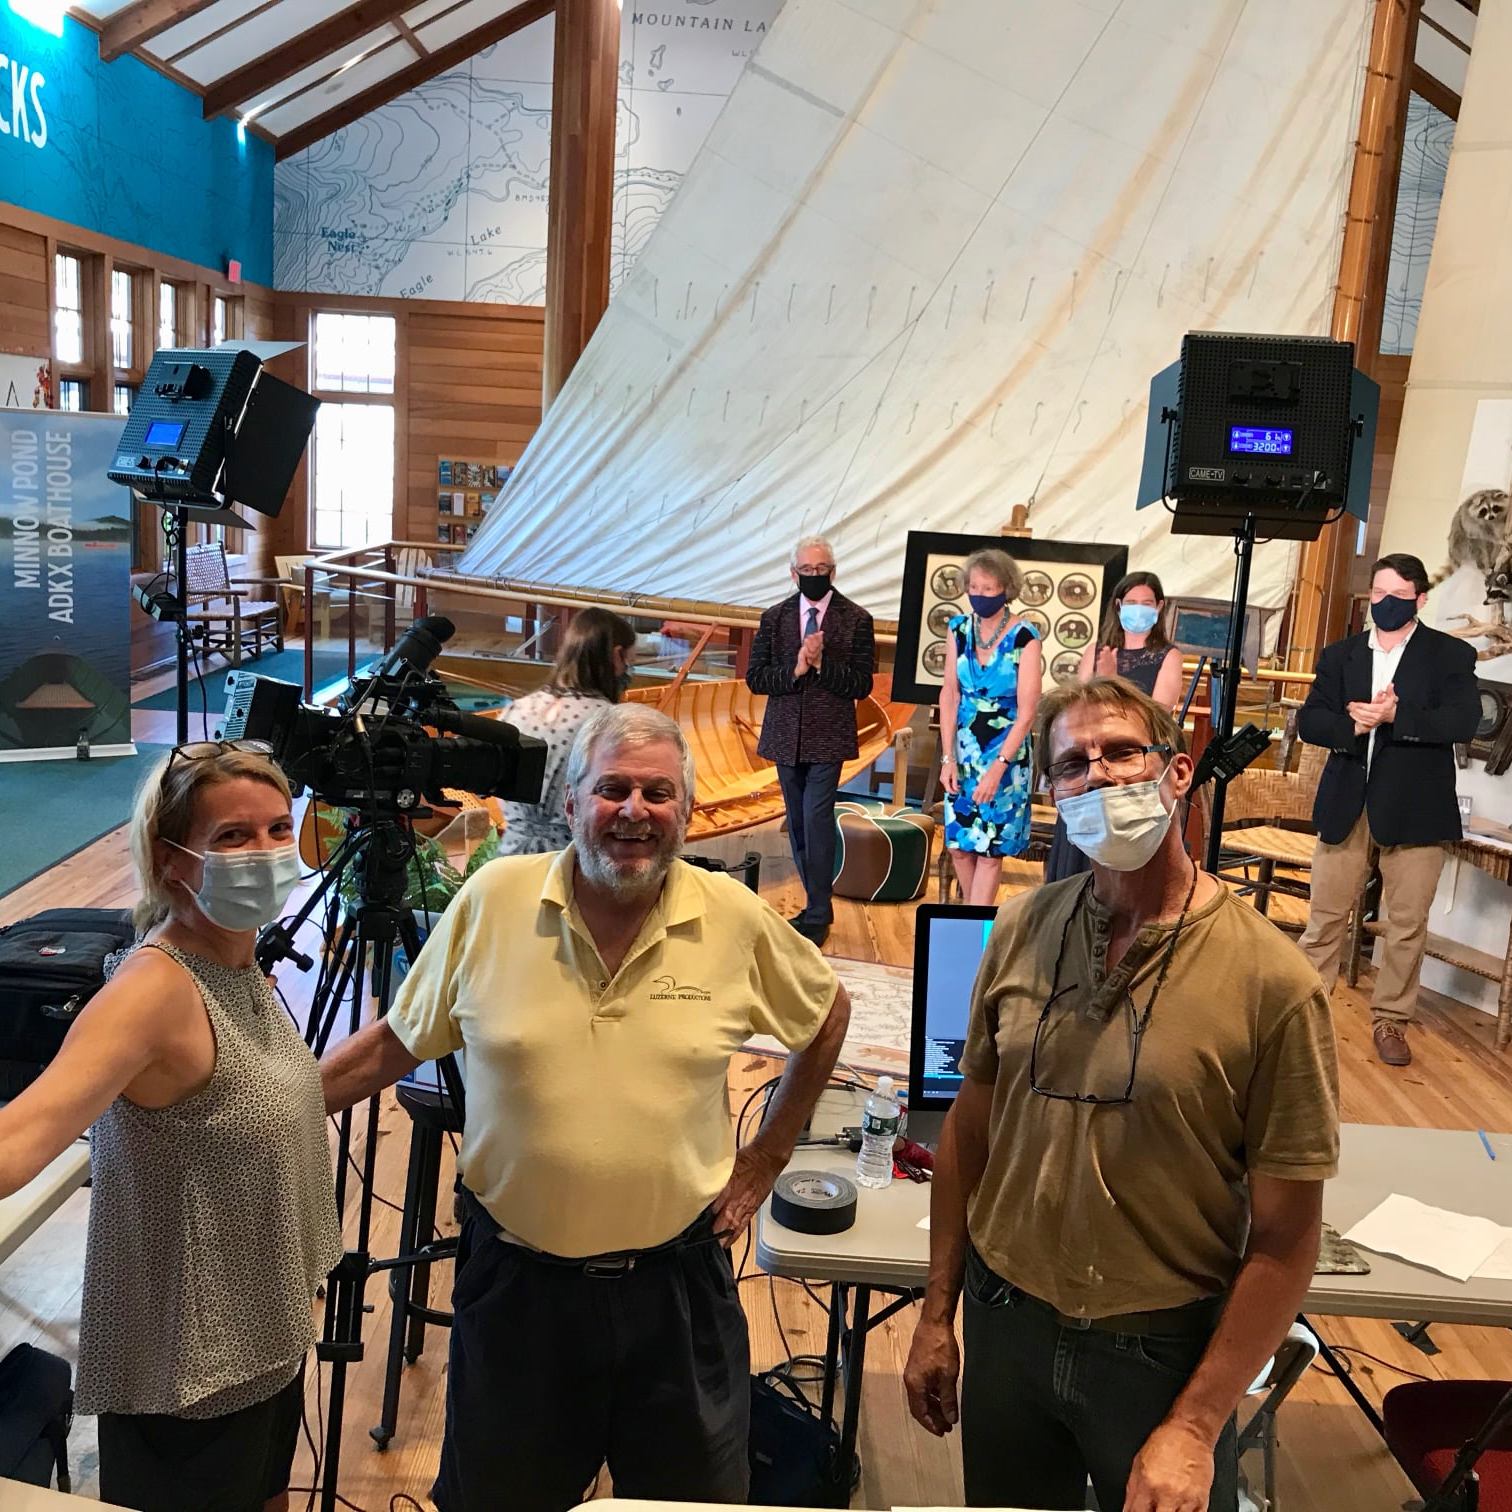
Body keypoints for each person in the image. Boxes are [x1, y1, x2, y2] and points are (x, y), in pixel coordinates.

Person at [320, 704, 851, 1512]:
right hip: (520, 1292)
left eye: (658, 793)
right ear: (571, 804)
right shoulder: (494, 899)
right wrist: (269, 1107)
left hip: (676, 1293)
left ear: (686, 813)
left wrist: (767, 1157)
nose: (635, 810)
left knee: (688, 1509)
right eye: (613, 789)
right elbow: (396, 1041)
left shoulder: (733, 917)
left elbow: (826, 1014)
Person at [904, 676, 1339, 1512]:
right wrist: (936, 1314)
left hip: (1159, 1349)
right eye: (1073, 763)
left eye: (1122, 752)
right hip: (1006, 1320)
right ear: (1053, 795)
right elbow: (969, 1128)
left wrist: (1197, 1426)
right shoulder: (1021, 929)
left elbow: (1287, 1236)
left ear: (1178, 772)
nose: (1099, 774)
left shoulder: (1274, 984)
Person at [0, 742, 343, 1512]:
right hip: (189, 1370)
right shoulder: (152, 991)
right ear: (171, 860)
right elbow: (16, 1144)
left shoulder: (237, 961)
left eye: (277, 828)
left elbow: (268, 1105)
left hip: (264, 1337)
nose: (265, 852)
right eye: (232, 836)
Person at [1297, 552, 1481, 1067]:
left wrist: (1400, 715)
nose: (1385, 604)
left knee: (1406, 923)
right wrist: (1352, 725)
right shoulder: (1341, 655)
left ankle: (1391, 1021)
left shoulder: (1450, 655)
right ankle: (1302, 1015)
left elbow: (1463, 722)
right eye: (1378, 594)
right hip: (1346, 804)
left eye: (1397, 596)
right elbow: (1311, 720)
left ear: (1420, 600)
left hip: (1416, 808)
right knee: (1324, 918)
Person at [746, 534, 877, 946]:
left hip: (829, 737)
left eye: (821, 569)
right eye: (806, 570)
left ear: (833, 572)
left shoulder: (856, 619)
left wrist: (822, 664)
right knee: (798, 822)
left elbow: (861, 685)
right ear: (793, 573)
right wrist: (797, 668)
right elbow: (756, 679)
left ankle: (819, 912)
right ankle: (815, 903)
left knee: (817, 818)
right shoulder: (774, 618)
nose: (814, 575)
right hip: (785, 736)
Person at [1045, 571, 1185, 883]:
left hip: (1133, 769)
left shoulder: (1168, 655)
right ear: (1119, 605)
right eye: (1132, 602)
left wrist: (1111, 680)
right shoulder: (1096, 651)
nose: (1139, 609)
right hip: (1089, 762)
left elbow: (1158, 715)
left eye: (1146, 603)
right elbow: (1077, 709)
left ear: (1159, 607)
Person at [940, 547, 1043, 905]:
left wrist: (999, 768)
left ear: (1006, 589)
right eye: (974, 587)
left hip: (1006, 754)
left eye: (988, 588)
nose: (979, 595)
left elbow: (1028, 711)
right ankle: (975, 920)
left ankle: (975, 925)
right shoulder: (958, 629)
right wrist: (947, 758)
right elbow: (949, 693)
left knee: (989, 851)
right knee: (959, 846)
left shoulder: (1025, 636)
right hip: (963, 751)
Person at [497, 605, 638, 856]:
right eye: (630, 661)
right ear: (617, 656)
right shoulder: (610, 722)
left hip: (511, 856)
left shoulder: (515, 710)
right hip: (573, 860)